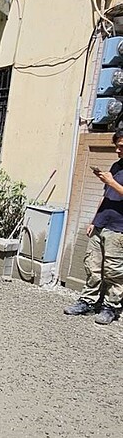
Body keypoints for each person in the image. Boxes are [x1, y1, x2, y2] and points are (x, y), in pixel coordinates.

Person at [64, 130, 123, 325]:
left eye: (121, 146)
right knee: (92, 266)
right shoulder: (116, 166)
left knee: (114, 271)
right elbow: (106, 196)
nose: (117, 149)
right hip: (101, 223)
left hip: (119, 228)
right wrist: (93, 220)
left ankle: (111, 307)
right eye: (117, 145)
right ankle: (88, 301)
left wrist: (111, 182)